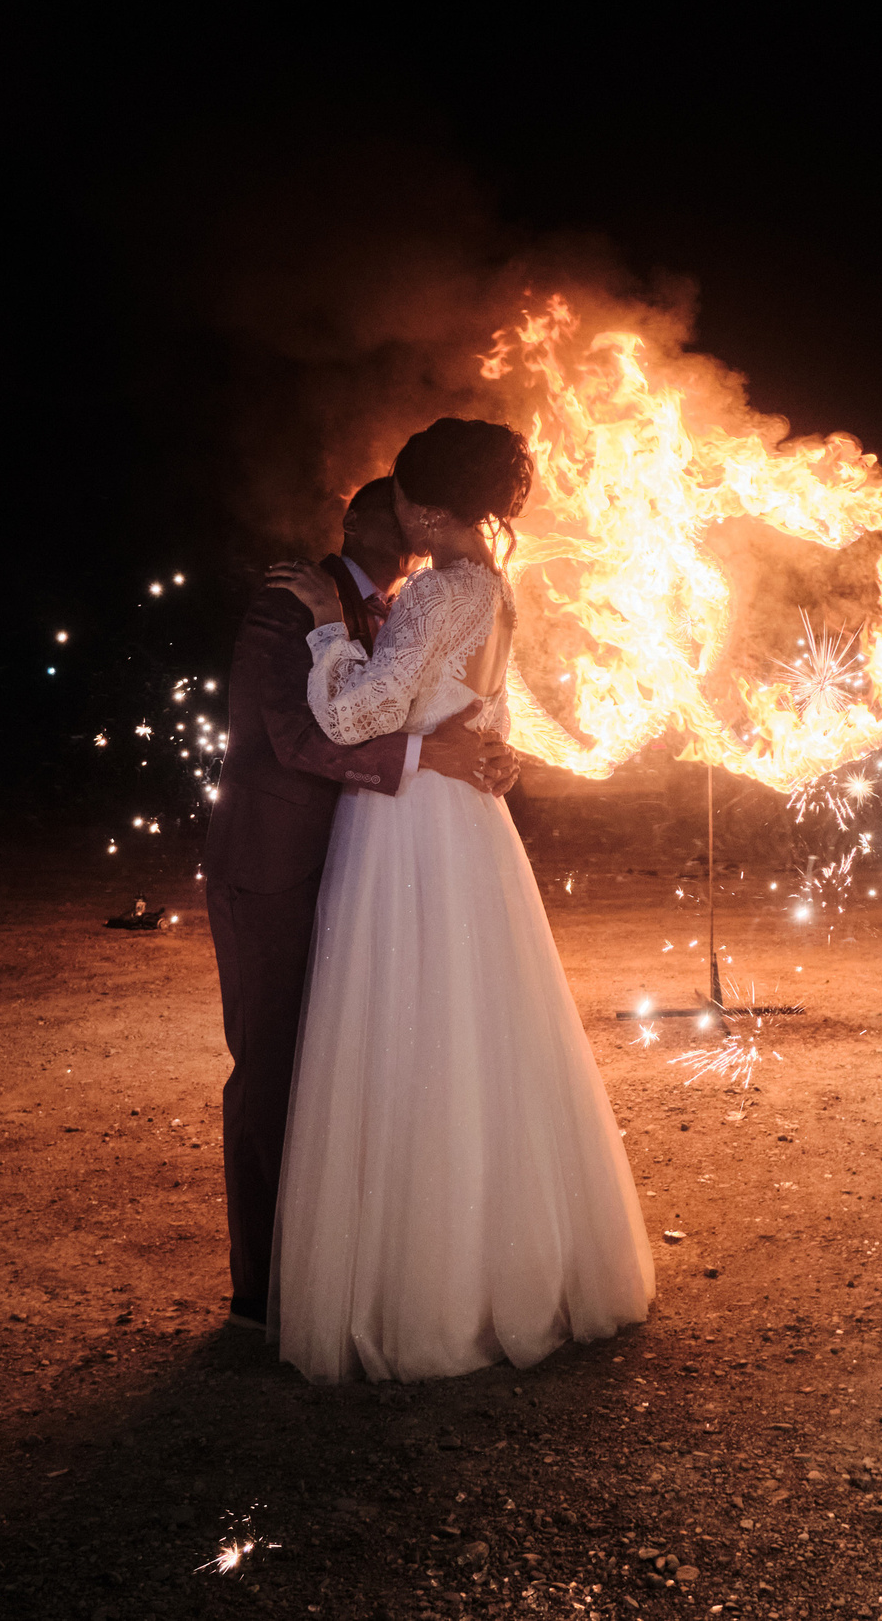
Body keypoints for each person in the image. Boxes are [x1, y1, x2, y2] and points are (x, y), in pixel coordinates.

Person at [262, 419, 652, 1383]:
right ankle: (502, 1269)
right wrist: (490, 749)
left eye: (401, 496)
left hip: (411, 825)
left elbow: (359, 713)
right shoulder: (495, 586)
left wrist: (323, 628)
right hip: (467, 824)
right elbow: (484, 715)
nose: (395, 511)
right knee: (476, 1027)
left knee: (412, 1019)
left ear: (430, 507)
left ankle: (428, 1295)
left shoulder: (439, 587)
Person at [204, 476, 521, 1335]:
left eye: (416, 512)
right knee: (270, 1066)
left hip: (358, 863)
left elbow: (420, 703)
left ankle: (345, 1269)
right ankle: (262, 1291)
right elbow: (298, 738)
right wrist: (430, 756)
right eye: (394, 511)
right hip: (270, 866)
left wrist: (485, 747)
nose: (410, 529)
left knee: (350, 1063)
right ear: (355, 517)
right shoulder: (292, 603)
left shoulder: (410, 607)